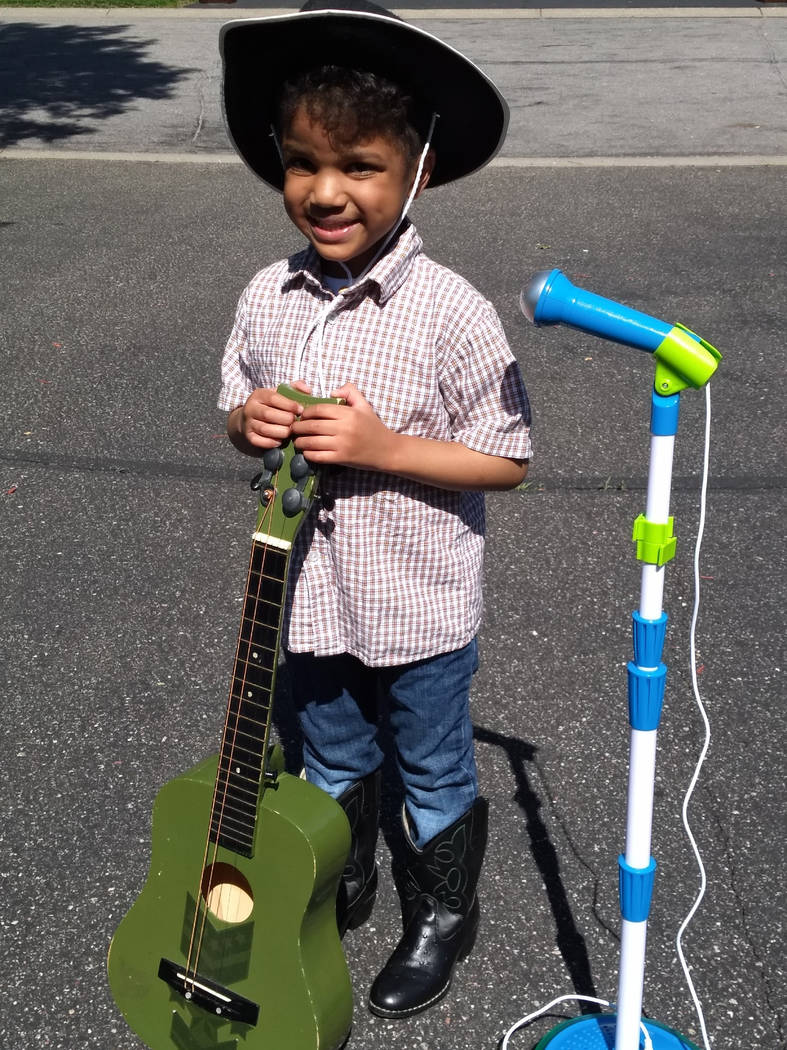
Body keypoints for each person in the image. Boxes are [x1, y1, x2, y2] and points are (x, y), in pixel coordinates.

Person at [217, 0, 532, 1020]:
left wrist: (384, 448)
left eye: (359, 165)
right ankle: (339, 875)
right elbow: (233, 402)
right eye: (304, 163)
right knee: (333, 757)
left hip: (417, 606)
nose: (326, 190)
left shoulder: (449, 310)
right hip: (303, 596)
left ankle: (441, 912)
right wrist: (249, 422)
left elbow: (505, 457)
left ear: (418, 170)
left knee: (432, 769)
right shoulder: (269, 293)